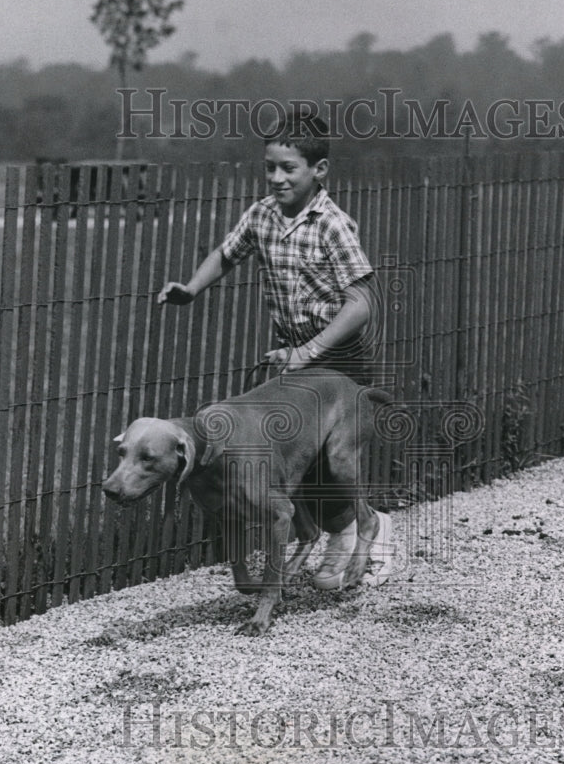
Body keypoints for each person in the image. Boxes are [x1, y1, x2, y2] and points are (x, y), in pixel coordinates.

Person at [158, 110, 393, 589]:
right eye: (271, 167)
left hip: (337, 356)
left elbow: (362, 304)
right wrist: (192, 288)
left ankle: (372, 537)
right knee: (290, 457)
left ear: (319, 171)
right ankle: (338, 536)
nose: (277, 177)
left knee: (333, 463)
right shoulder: (262, 214)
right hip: (292, 355)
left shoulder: (332, 225)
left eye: (289, 168)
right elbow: (228, 252)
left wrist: (310, 351)